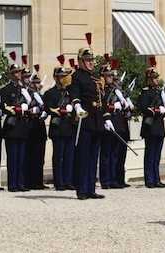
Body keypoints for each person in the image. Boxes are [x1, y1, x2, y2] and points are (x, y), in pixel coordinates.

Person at [68, 33, 109, 199]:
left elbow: (101, 99)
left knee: (93, 157)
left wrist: (106, 118)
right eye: (87, 60)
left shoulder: (95, 77)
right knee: (83, 157)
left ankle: (90, 188)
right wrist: (77, 106)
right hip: (85, 121)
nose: (91, 62)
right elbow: (74, 93)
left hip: (97, 121)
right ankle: (82, 189)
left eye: (92, 59)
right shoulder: (77, 76)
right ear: (80, 61)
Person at [43, 55, 76, 191]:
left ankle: (68, 181)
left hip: (69, 127)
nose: (63, 78)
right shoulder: (50, 93)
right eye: (61, 76)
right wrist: (59, 110)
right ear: (56, 78)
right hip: (58, 127)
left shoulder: (70, 92)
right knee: (58, 156)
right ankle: (59, 182)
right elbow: (47, 107)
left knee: (69, 156)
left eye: (64, 76)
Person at [0, 51, 31, 192]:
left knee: (22, 157)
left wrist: (26, 103)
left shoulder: (23, 89)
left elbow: (29, 105)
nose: (18, 74)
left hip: (22, 126)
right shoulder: (5, 90)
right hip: (11, 127)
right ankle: (12, 184)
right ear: (11, 74)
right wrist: (17, 109)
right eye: (15, 72)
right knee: (13, 157)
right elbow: (5, 107)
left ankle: (20, 183)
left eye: (19, 72)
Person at [99, 59, 132, 189]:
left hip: (119, 124)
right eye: (108, 75)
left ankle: (116, 179)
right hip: (108, 124)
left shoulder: (117, 90)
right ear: (102, 76)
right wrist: (114, 107)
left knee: (117, 154)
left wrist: (126, 107)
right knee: (107, 154)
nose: (111, 77)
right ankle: (106, 180)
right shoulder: (102, 90)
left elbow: (124, 107)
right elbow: (103, 106)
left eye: (112, 75)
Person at [138, 57, 165, 188]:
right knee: (150, 154)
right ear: (149, 79)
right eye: (155, 78)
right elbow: (143, 108)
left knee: (157, 156)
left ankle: (156, 179)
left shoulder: (160, 92)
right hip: (150, 127)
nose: (157, 80)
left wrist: (164, 110)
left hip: (159, 127)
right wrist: (156, 110)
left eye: (157, 78)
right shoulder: (145, 93)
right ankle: (149, 179)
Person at [25, 64, 49, 189]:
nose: (37, 85)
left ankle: (39, 182)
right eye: (34, 83)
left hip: (40, 128)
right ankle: (30, 182)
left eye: (38, 82)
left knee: (40, 158)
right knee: (31, 157)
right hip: (31, 128)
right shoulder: (27, 94)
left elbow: (46, 107)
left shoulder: (41, 95)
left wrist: (44, 112)